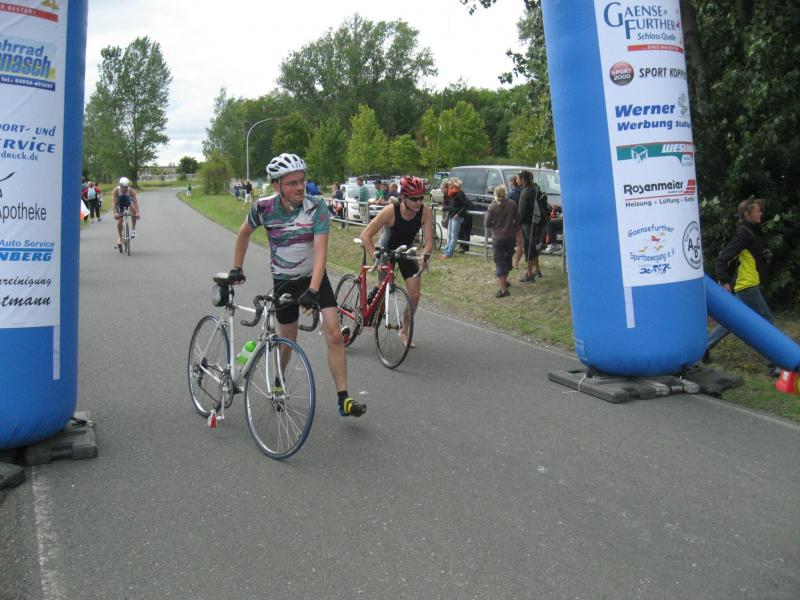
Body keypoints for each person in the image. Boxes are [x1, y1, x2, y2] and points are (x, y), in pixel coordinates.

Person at [228, 153, 365, 417]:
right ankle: (278, 380)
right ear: (277, 185)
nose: (301, 187)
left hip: (314, 276)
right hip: (284, 280)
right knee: (288, 340)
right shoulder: (263, 208)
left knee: (334, 333)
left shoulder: (316, 207)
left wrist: (313, 290)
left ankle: (344, 398)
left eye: (302, 180)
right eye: (292, 183)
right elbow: (244, 233)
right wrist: (237, 267)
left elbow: (321, 252)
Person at [706, 198, 778, 375]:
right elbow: (721, 259)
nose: (760, 213)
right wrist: (724, 281)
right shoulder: (744, 233)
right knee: (767, 322)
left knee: (733, 321)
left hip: (749, 285)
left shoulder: (752, 231)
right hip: (747, 286)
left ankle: (703, 348)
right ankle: (774, 364)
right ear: (747, 214)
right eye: (757, 211)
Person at [360, 175, 433, 348]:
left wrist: (426, 254)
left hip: (405, 251)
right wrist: (375, 258)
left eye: (421, 198)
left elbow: (429, 241)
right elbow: (365, 235)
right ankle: (371, 311)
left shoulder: (425, 212)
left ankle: (404, 330)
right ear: (403, 197)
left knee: (414, 295)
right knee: (383, 288)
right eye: (414, 199)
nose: (418, 202)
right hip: (385, 250)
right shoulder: (390, 211)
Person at [484, 184, 520, 298]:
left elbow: (486, 224)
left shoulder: (492, 206)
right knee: (508, 260)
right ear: (505, 193)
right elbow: (518, 220)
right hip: (510, 237)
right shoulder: (512, 204)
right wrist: (513, 228)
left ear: (495, 194)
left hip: (498, 238)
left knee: (499, 262)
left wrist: (495, 226)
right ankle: (504, 281)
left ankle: (503, 290)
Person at [516, 170, 545, 282]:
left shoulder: (526, 191)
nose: (517, 180)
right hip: (535, 222)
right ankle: (537, 270)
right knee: (532, 247)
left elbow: (522, 211)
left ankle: (529, 274)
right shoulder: (534, 189)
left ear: (523, 179)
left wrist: (517, 224)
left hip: (527, 224)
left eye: (518, 178)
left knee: (528, 247)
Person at [441, 178, 469, 258]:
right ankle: (446, 251)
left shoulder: (460, 193)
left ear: (454, 184)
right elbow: (451, 205)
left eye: (450, 184)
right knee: (449, 235)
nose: (448, 185)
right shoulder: (452, 193)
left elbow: (466, 205)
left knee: (454, 235)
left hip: (457, 217)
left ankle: (449, 253)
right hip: (451, 215)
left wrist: (458, 214)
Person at [112, 177, 139, 251]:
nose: (125, 189)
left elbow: (135, 203)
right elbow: (115, 205)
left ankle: (133, 230)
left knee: (134, 210)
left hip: (128, 203)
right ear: (120, 186)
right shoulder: (116, 191)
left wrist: (137, 213)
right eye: (123, 187)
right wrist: (115, 213)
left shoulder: (131, 191)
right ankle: (120, 237)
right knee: (120, 221)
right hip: (120, 204)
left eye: (126, 187)